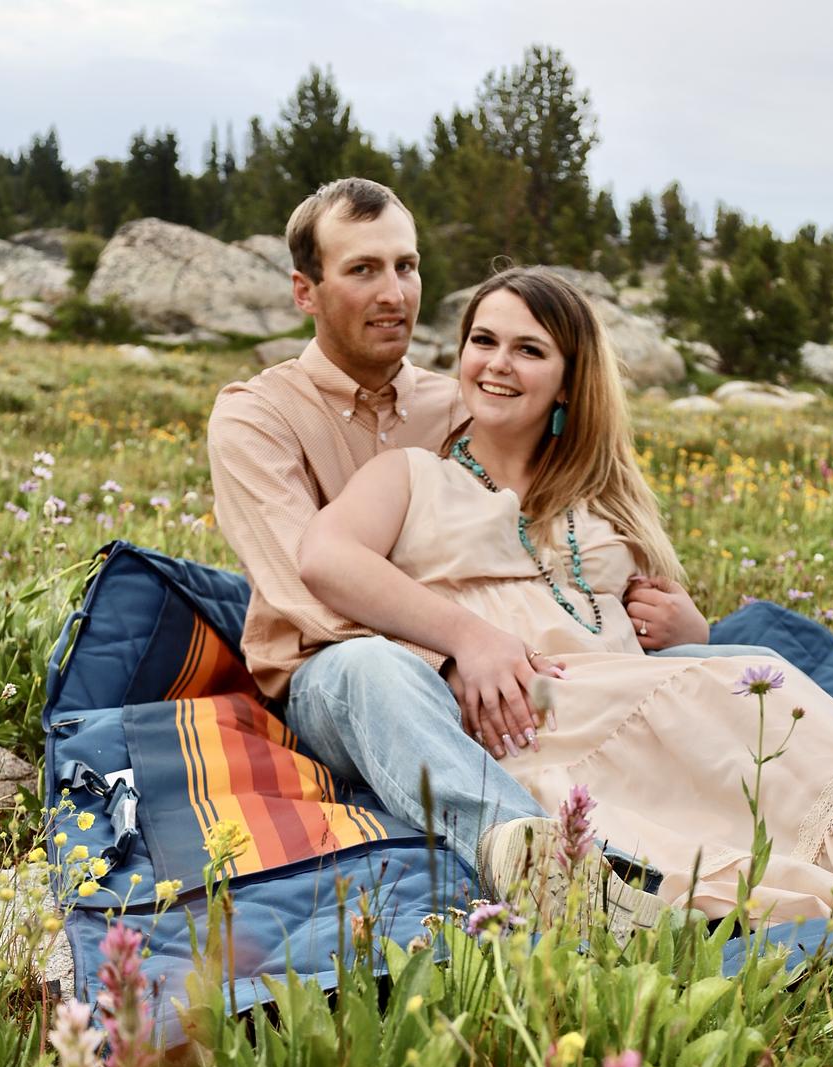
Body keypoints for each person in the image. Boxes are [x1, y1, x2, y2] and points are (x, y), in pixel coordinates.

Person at [298, 267, 833, 928]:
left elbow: (656, 634)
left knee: (757, 675)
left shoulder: (601, 501)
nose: (497, 363)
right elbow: (326, 557)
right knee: (365, 667)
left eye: (528, 350)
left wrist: (690, 629)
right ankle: (542, 865)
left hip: (603, 700)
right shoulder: (412, 475)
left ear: (569, 380)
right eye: (483, 341)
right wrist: (468, 639)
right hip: (489, 715)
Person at [209, 178, 716, 939]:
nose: (394, 294)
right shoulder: (258, 416)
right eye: (363, 270)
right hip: (336, 678)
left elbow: (556, 525)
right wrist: (458, 649)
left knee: (729, 674)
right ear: (305, 291)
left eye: (406, 266)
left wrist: (662, 620)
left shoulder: (461, 399)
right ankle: (558, 876)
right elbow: (310, 598)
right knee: (376, 670)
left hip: (497, 659)